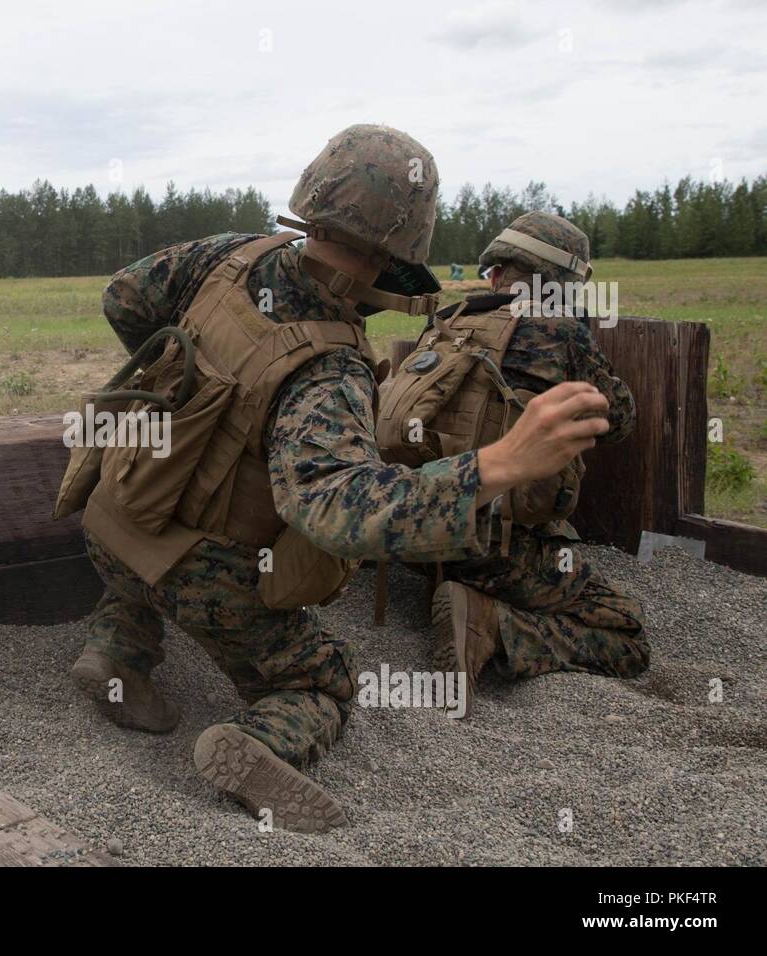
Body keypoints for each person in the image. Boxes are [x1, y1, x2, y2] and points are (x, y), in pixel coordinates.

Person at [67, 124, 614, 832]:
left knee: (145, 545)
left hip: (111, 515)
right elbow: (334, 507)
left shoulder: (232, 255)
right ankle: (256, 742)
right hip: (203, 576)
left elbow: (125, 297)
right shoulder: (329, 362)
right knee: (322, 681)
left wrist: (197, 393)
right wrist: (501, 464)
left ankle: (118, 651)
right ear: (406, 245)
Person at [396, 213, 649, 718]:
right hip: (492, 545)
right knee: (626, 634)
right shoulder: (562, 334)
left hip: (414, 527)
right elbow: (618, 420)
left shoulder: (449, 318)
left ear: (496, 271)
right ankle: (493, 623)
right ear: (563, 285)